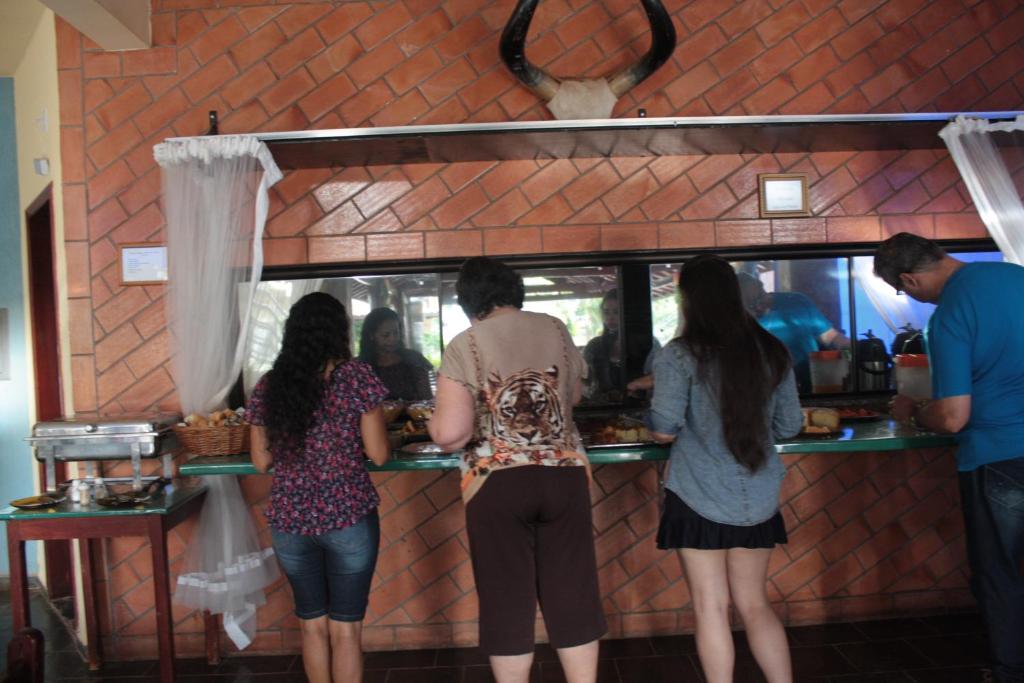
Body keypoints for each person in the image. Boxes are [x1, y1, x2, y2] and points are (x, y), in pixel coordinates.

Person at [429, 257, 606, 683]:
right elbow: (573, 397)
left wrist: (435, 426)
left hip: (498, 485)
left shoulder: (465, 344)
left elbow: (452, 433)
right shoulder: (556, 329)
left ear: (468, 301)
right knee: (574, 596)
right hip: (564, 477)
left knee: (506, 601)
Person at [874, 233, 1024, 683]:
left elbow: (954, 416)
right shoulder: (1015, 277)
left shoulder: (950, 316)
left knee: (999, 572)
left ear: (908, 280)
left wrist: (914, 410)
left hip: (999, 457)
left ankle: (1011, 672)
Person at [649, 255, 803, 683]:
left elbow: (663, 429)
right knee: (755, 604)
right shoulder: (771, 350)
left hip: (697, 494)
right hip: (759, 494)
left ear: (687, 299)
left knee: (710, 607)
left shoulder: (679, 355)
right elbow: (789, 425)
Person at [247, 292, 390, 683]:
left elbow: (261, 461)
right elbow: (379, 454)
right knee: (346, 630)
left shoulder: (271, 385)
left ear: (291, 333)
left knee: (311, 626)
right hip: (348, 516)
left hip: (290, 521)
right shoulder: (356, 377)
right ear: (339, 332)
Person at [737, 272, 850, 393]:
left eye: (760, 298)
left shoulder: (796, 301)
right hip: (770, 390)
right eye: (751, 305)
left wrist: (854, 348)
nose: (759, 307)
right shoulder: (737, 323)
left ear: (761, 285)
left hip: (813, 386)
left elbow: (830, 336)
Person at [583, 288, 660, 401]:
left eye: (617, 312)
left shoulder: (648, 343)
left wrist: (637, 386)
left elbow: (660, 377)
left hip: (640, 408)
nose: (611, 317)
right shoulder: (594, 346)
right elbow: (585, 381)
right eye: (606, 312)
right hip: (602, 408)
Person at [358, 307, 433, 401]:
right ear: (371, 335)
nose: (392, 339)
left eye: (396, 333)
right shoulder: (361, 367)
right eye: (386, 335)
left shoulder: (413, 359)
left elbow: (427, 398)